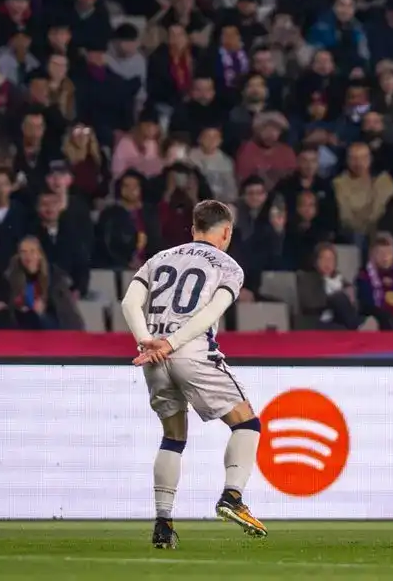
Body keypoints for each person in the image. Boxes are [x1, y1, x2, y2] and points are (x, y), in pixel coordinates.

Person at [119, 200, 266, 548]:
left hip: (152, 355)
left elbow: (128, 303)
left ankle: (163, 524)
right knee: (247, 424)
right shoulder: (228, 266)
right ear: (226, 231)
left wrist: (147, 341)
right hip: (190, 351)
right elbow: (210, 313)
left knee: (173, 437)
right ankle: (232, 497)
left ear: (193, 229)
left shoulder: (160, 258)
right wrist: (171, 344)